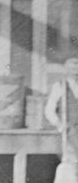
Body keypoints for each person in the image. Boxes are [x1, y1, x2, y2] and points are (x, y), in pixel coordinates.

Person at [45, 55, 78, 183]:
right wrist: (59, 124)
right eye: (72, 64)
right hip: (70, 131)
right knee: (71, 163)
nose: (76, 68)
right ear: (66, 67)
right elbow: (49, 110)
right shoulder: (59, 86)